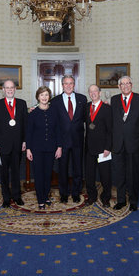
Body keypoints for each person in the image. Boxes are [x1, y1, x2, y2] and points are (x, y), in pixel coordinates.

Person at [111, 75, 139, 211]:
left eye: (128, 83)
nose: (125, 86)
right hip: (118, 144)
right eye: (122, 84)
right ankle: (121, 200)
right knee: (119, 174)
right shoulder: (114, 100)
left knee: (133, 174)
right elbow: (112, 122)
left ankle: (133, 200)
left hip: (134, 144)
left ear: (131, 85)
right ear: (119, 87)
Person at [0, 79, 28, 208]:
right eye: (7, 88)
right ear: (3, 90)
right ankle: (6, 198)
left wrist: (25, 141)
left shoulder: (22, 104)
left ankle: (17, 196)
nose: (10, 90)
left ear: (15, 89)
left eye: (12, 87)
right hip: (2, 146)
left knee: (17, 172)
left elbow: (25, 125)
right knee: (4, 173)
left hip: (18, 144)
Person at [51, 75, 87, 203]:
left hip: (78, 140)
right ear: (62, 85)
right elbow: (52, 121)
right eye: (66, 83)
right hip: (62, 141)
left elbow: (87, 117)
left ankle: (76, 193)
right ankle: (64, 193)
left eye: (71, 83)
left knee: (78, 168)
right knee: (63, 169)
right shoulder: (55, 101)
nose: (68, 85)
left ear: (74, 84)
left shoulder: (82, 99)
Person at [26, 86, 63, 209]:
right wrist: (28, 149)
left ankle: (46, 196)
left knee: (48, 174)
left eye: (46, 95)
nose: (44, 97)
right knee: (38, 174)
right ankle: (40, 199)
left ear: (49, 97)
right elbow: (29, 133)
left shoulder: (54, 111)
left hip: (51, 148)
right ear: (38, 97)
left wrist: (59, 147)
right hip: (36, 149)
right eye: (42, 95)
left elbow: (58, 130)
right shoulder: (33, 113)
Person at [84, 85, 113, 207]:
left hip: (103, 148)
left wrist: (108, 147)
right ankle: (92, 196)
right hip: (89, 147)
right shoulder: (86, 107)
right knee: (89, 175)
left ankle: (106, 197)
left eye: (95, 91)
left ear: (100, 93)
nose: (93, 93)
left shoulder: (107, 108)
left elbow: (111, 130)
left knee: (105, 175)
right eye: (91, 92)